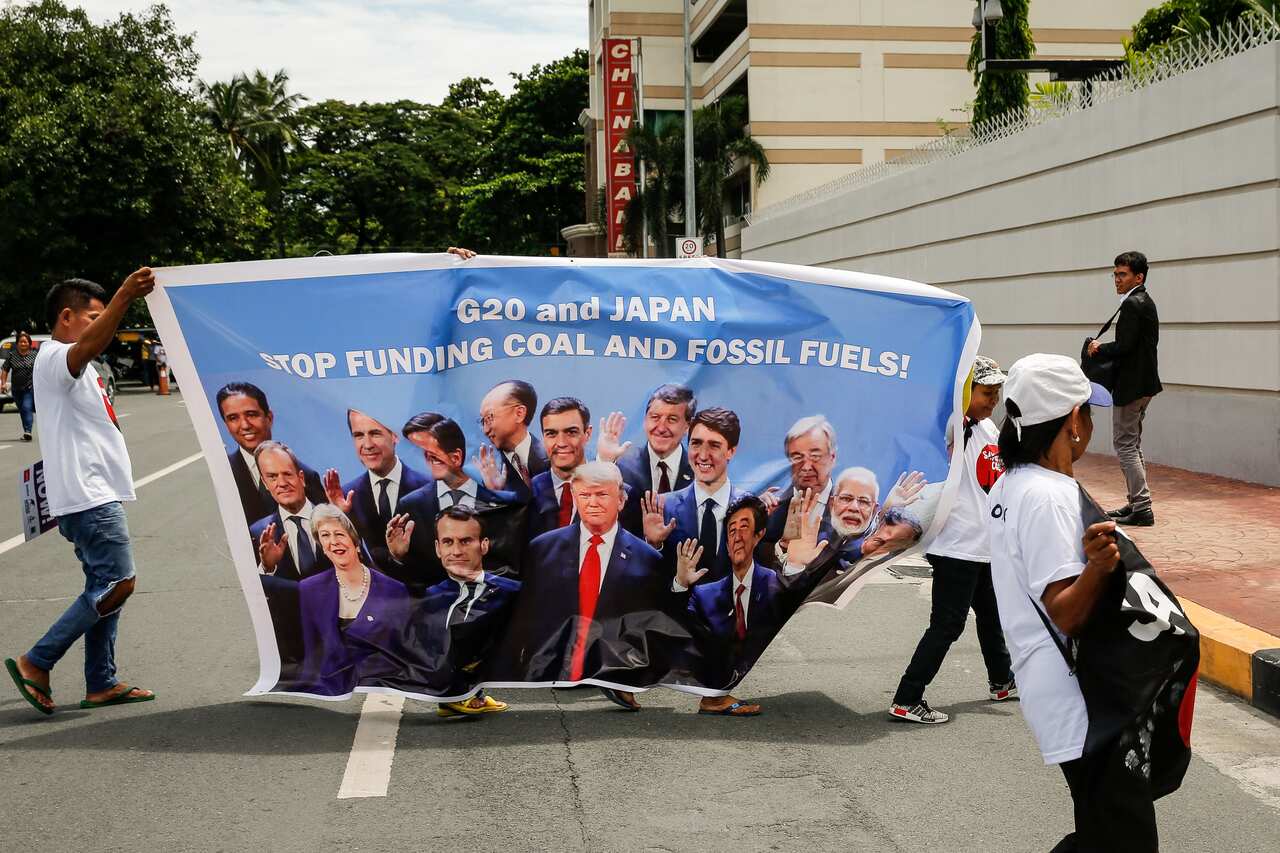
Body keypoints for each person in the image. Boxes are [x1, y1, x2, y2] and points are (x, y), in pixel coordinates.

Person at [984, 353, 1161, 852]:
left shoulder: (1014, 485)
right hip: (1084, 703)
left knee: (1104, 835)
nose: (1090, 423)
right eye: (1087, 411)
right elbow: (1064, 610)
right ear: (1070, 423)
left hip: (1059, 694)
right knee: (1124, 841)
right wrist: (1100, 568)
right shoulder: (1047, 496)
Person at [4, 271, 158, 715]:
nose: (102, 323)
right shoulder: (55, 357)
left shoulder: (79, 366)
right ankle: (37, 660)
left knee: (102, 585)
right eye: (94, 315)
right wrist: (126, 295)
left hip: (90, 492)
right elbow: (88, 346)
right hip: (87, 495)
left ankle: (101, 681)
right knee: (117, 583)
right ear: (66, 317)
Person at [889, 355, 1016, 726]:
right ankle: (907, 697)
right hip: (956, 546)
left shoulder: (988, 428)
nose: (992, 399)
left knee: (992, 615)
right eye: (985, 392)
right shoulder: (952, 426)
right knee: (948, 624)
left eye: (996, 393)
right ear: (964, 393)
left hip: (983, 545)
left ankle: (1002, 680)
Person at [486, 461, 679, 694]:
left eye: (602, 494)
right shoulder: (542, 549)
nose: (593, 503)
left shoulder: (647, 557)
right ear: (575, 499)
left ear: (621, 500)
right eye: (585, 495)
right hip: (546, 681)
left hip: (612, 682)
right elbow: (525, 617)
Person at [673, 494, 795, 716]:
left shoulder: (773, 585)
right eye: (731, 531)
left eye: (744, 528)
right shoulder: (705, 593)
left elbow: (800, 586)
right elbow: (675, 628)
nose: (737, 537)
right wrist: (681, 585)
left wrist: (787, 546)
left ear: (759, 536)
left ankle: (716, 697)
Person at [386, 412, 522, 587]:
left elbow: (512, 564)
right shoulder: (411, 505)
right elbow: (410, 579)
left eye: (428, 452)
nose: (423, 460)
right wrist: (398, 557)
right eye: (415, 451)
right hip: (433, 608)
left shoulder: (501, 501)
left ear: (456, 456)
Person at [411, 507, 520, 717]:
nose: (456, 552)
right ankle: (457, 693)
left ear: (484, 545)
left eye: (466, 541)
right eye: (448, 542)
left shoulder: (512, 591)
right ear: (437, 548)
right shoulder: (427, 598)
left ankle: (468, 691)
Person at [297, 505, 410, 696]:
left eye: (339, 534)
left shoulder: (394, 590)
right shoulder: (309, 588)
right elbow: (311, 653)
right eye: (325, 536)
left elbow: (402, 651)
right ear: (321, 547)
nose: (333, 542)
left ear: (356, 542)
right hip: (328, 689)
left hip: (379, 690)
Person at [1087, 251, 1161, 527]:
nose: (1117, 279)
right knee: (1133, 442)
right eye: (1115, 274)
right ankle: (1136, 502)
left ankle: (1141, 507)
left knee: (1125, 444)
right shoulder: (1143, 301)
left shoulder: (1133, 304)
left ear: (1138, 277)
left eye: (1123, 274)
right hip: (1144, 384)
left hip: (1132, 386)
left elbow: (1124, 347)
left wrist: (1098, 347)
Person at [639, 407, 752, 584]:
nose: (703, 455)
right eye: (696, 443)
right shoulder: (662, 507)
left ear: (731, 451)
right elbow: (649, 583)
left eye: (714, 445)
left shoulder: (750, 508)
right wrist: (653, 545)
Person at [322, 409, 429, 572]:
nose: (367, 444)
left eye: (375, 433)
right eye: (359, 435)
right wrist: (342, 518)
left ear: (394, 435)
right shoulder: (344, 497)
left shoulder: (428, 487)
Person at [216, 382, 326, 528]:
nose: (245, 425)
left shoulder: (307, 476)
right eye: (233, 418)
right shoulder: (223, 473)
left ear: (269, 417)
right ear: (226, 425)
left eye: (251, 414)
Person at [594, 383, 697, 533]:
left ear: (688, 426)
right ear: (645, 420)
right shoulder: (621, 465)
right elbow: (594, 514)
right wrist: (604, 462)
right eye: (655, 417)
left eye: (672, 419)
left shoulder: (698, 470)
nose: (661, 428)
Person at [758, 415, 839, 568]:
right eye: (797, 457)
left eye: (815, 456)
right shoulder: (771, 508)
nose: (806, 466)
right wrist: (781, 546)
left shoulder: (848, 508)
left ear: (832, 458)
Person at [250, 441, 331, 581]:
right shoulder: (257, 534)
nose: (282, 483)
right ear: (265, 484)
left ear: (301, 478)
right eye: (272, 477)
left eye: (287, 474)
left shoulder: (333, 518)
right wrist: (267, 568)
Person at [525, 397, 596, 541]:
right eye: (551, 434)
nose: (561, 443)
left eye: (571, 432)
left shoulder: (613, 492)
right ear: (543, 437)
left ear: (587, 434)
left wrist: (652, 541)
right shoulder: (528, 492)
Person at [478, 379, 547, 498]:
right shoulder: (489, 471)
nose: (485, 430)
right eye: (482, 421)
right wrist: (496, 493)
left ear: (519, 414)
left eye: (489, 418)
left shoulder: (554, 459)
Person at [1, 331, 39, 440]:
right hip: (16, 389)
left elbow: (40, 369)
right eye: (21, 342)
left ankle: (28, 431)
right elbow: (5, 370)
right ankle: (26, 430)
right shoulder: (12, 356)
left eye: (25, 342)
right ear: (17, 343)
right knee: (22, 409)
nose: (23, 344)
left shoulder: (34, 355)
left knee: (27, 407)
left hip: (29, 388)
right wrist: (3, 383)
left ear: (29, 343)